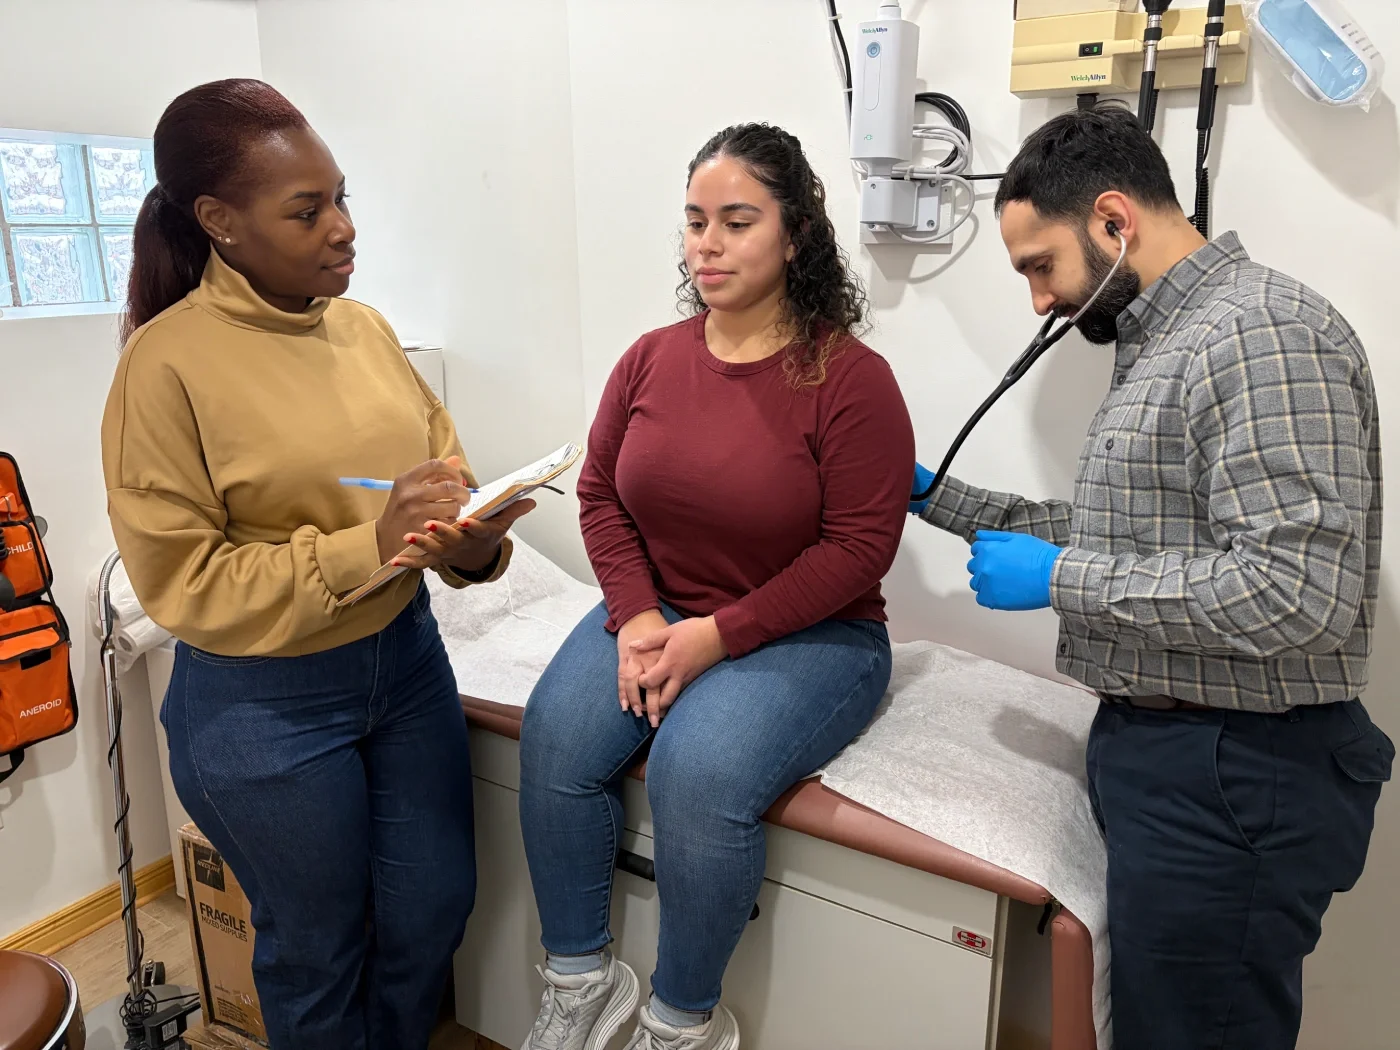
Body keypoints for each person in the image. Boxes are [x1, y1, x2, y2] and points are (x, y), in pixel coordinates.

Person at [911, 104, 1394, 1050]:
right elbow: (1124, 540)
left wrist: (1063, 581)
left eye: (1039, 266)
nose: (1040, 302)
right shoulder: (1171, 344)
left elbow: (1301, 594)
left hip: (1237, 773)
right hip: (1188, 764)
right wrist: (935, 498)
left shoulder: (1261, 336)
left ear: (1112, 220)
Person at [100, 79, 532, 1050]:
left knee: (430, 912)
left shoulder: (365, 329)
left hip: (405, 664)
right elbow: (186, 587)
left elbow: (438, 471)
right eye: (308, 210)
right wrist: (367, 545)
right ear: (218, 221)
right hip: (263, 704)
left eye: (343, 199)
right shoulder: (163, 368)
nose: (342, 229)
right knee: (316, 951)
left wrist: (471, 539)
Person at [516, 123, 915, 1050]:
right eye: (696, 222)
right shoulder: (651, 358)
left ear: (796, 236)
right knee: (557, 737)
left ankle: (682, 1018)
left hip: (813, 634)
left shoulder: (851, 380)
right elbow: (600, 492)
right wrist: (638, 616)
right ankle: (580, 981)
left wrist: (716, 637)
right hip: (660, 613)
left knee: (697, 773)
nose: (708, 243)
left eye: (738, 221)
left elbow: (858, 551)